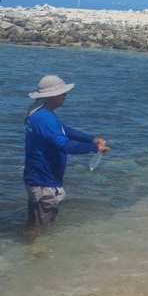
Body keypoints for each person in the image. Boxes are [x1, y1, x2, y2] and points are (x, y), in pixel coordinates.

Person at [23, 75, 108, 231]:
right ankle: (37, 254)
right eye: (63, 94)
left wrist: (91, 139)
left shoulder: (40, 112)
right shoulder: (44, 118)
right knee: (42, 230)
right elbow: (65, 146)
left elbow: (64, 130)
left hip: (37, 178)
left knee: (34, 225)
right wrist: (94, 148)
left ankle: (30, 249)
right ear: (52, 96)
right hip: (44, 183)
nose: (65, 96)